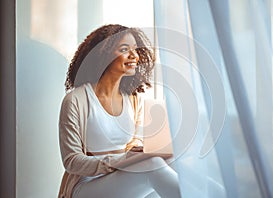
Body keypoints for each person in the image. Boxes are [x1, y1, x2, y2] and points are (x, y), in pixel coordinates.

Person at [58, 24, 181, 198]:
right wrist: (122, 161)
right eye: (125, 49)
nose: (134, 56)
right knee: (154, 166)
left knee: (172, 162)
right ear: (103, 54)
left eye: (135, 50)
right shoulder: (76, 100)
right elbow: (71, 161)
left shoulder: (132, 98)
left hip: (119, 178)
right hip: (86, 185)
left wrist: (140, 151)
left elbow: (130, 145)